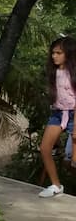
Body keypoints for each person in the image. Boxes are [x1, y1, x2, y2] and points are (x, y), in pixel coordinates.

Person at [38, 36, 76, 198]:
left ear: (69, 54)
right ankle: (56, 185)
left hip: (74, 114)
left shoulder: (73, 73)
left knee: (73, 161)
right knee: (45, 148)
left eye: (58, 53)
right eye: (53, 53)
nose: (54, 56)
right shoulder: (55, 72)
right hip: (58, 114)